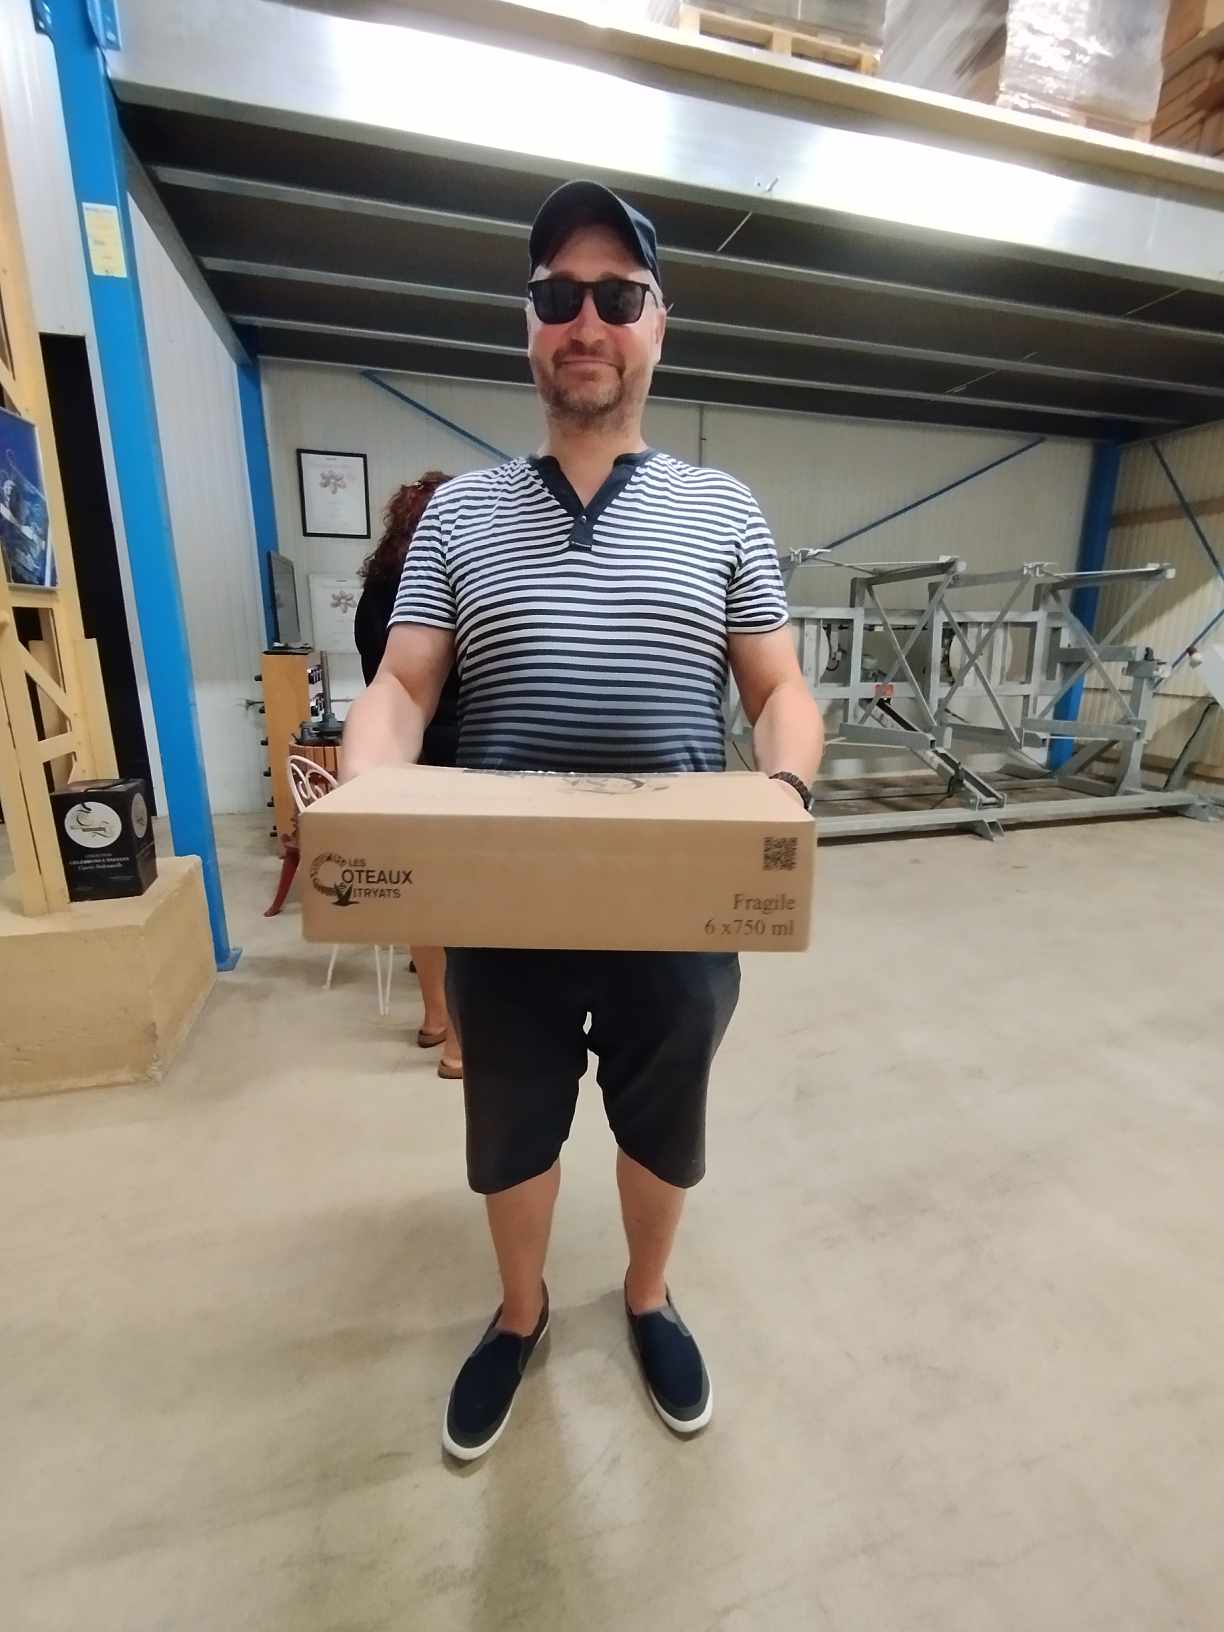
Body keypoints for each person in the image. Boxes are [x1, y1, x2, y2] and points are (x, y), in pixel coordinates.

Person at [342, 180, 824, 1460]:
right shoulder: (461, 514)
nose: (587, 321)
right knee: (510, 1134)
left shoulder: (724, 510)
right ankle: (520, 1315)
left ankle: (648, 1299)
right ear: (530, 326)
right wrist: (368, 785)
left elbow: (778, 690)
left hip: (679, 904)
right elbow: (403, 684)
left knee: (666, 1124)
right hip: (504, 904)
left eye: (619, 295)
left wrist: (782, 793)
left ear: (659, 324)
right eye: (559, 296)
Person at [353, 472, 462, 1079]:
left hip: (403, 752)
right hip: (464, 754)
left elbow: (380, 676)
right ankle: (460, 1047)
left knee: (427, 896)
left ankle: (435, 1018)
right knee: (470, 904)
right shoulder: (455, 579)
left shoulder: (377, 590)